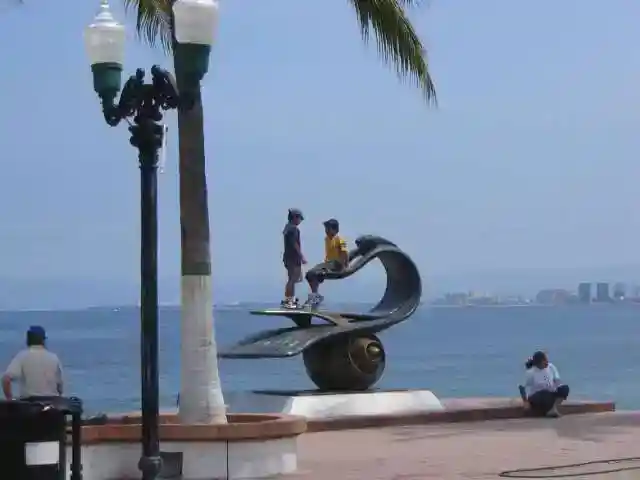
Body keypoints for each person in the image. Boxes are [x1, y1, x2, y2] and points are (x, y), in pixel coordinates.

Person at [2, 326, 64, 400]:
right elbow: (60, 387)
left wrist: (9, 399)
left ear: (28, 340)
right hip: (52, 401)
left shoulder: (22, 357)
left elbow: (6, 379)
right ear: (43, 340)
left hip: (29, 402)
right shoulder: (54, 358)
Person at [304, 218, 349, 308]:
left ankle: (315, 297)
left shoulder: (340, 239)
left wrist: (345, 266)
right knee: (309, 274)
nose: (326, 231)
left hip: (336, 264)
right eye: (326, 229)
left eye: (328, 229)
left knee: (316, 272)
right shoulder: (327, 239)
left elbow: (345, 253)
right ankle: (315, 296)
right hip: (328, 263)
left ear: (335, 230)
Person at [522, 351, 569, 417]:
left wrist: (557, 388)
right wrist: (525, 401)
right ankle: (547, 411)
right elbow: (522, 387)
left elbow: (557, 380)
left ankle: (553, 409)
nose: (547, 362)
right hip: (537, 396)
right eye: (544, 361)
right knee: (545, 394)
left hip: (550, 392)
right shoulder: (531, 372)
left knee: (564, 388)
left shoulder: (551, 367)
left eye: (546, 360)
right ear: (538, 364)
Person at [282, 208, 306, 309]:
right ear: (295, 217)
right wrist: (301, 256)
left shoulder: (287, 228)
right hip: (293, 258)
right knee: (293, 279)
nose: (300, 221)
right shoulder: (293, 229)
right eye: (300, 218)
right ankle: (289, 301)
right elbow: (295, 244)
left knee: (293, 279)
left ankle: (290, 299)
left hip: (288, 257)